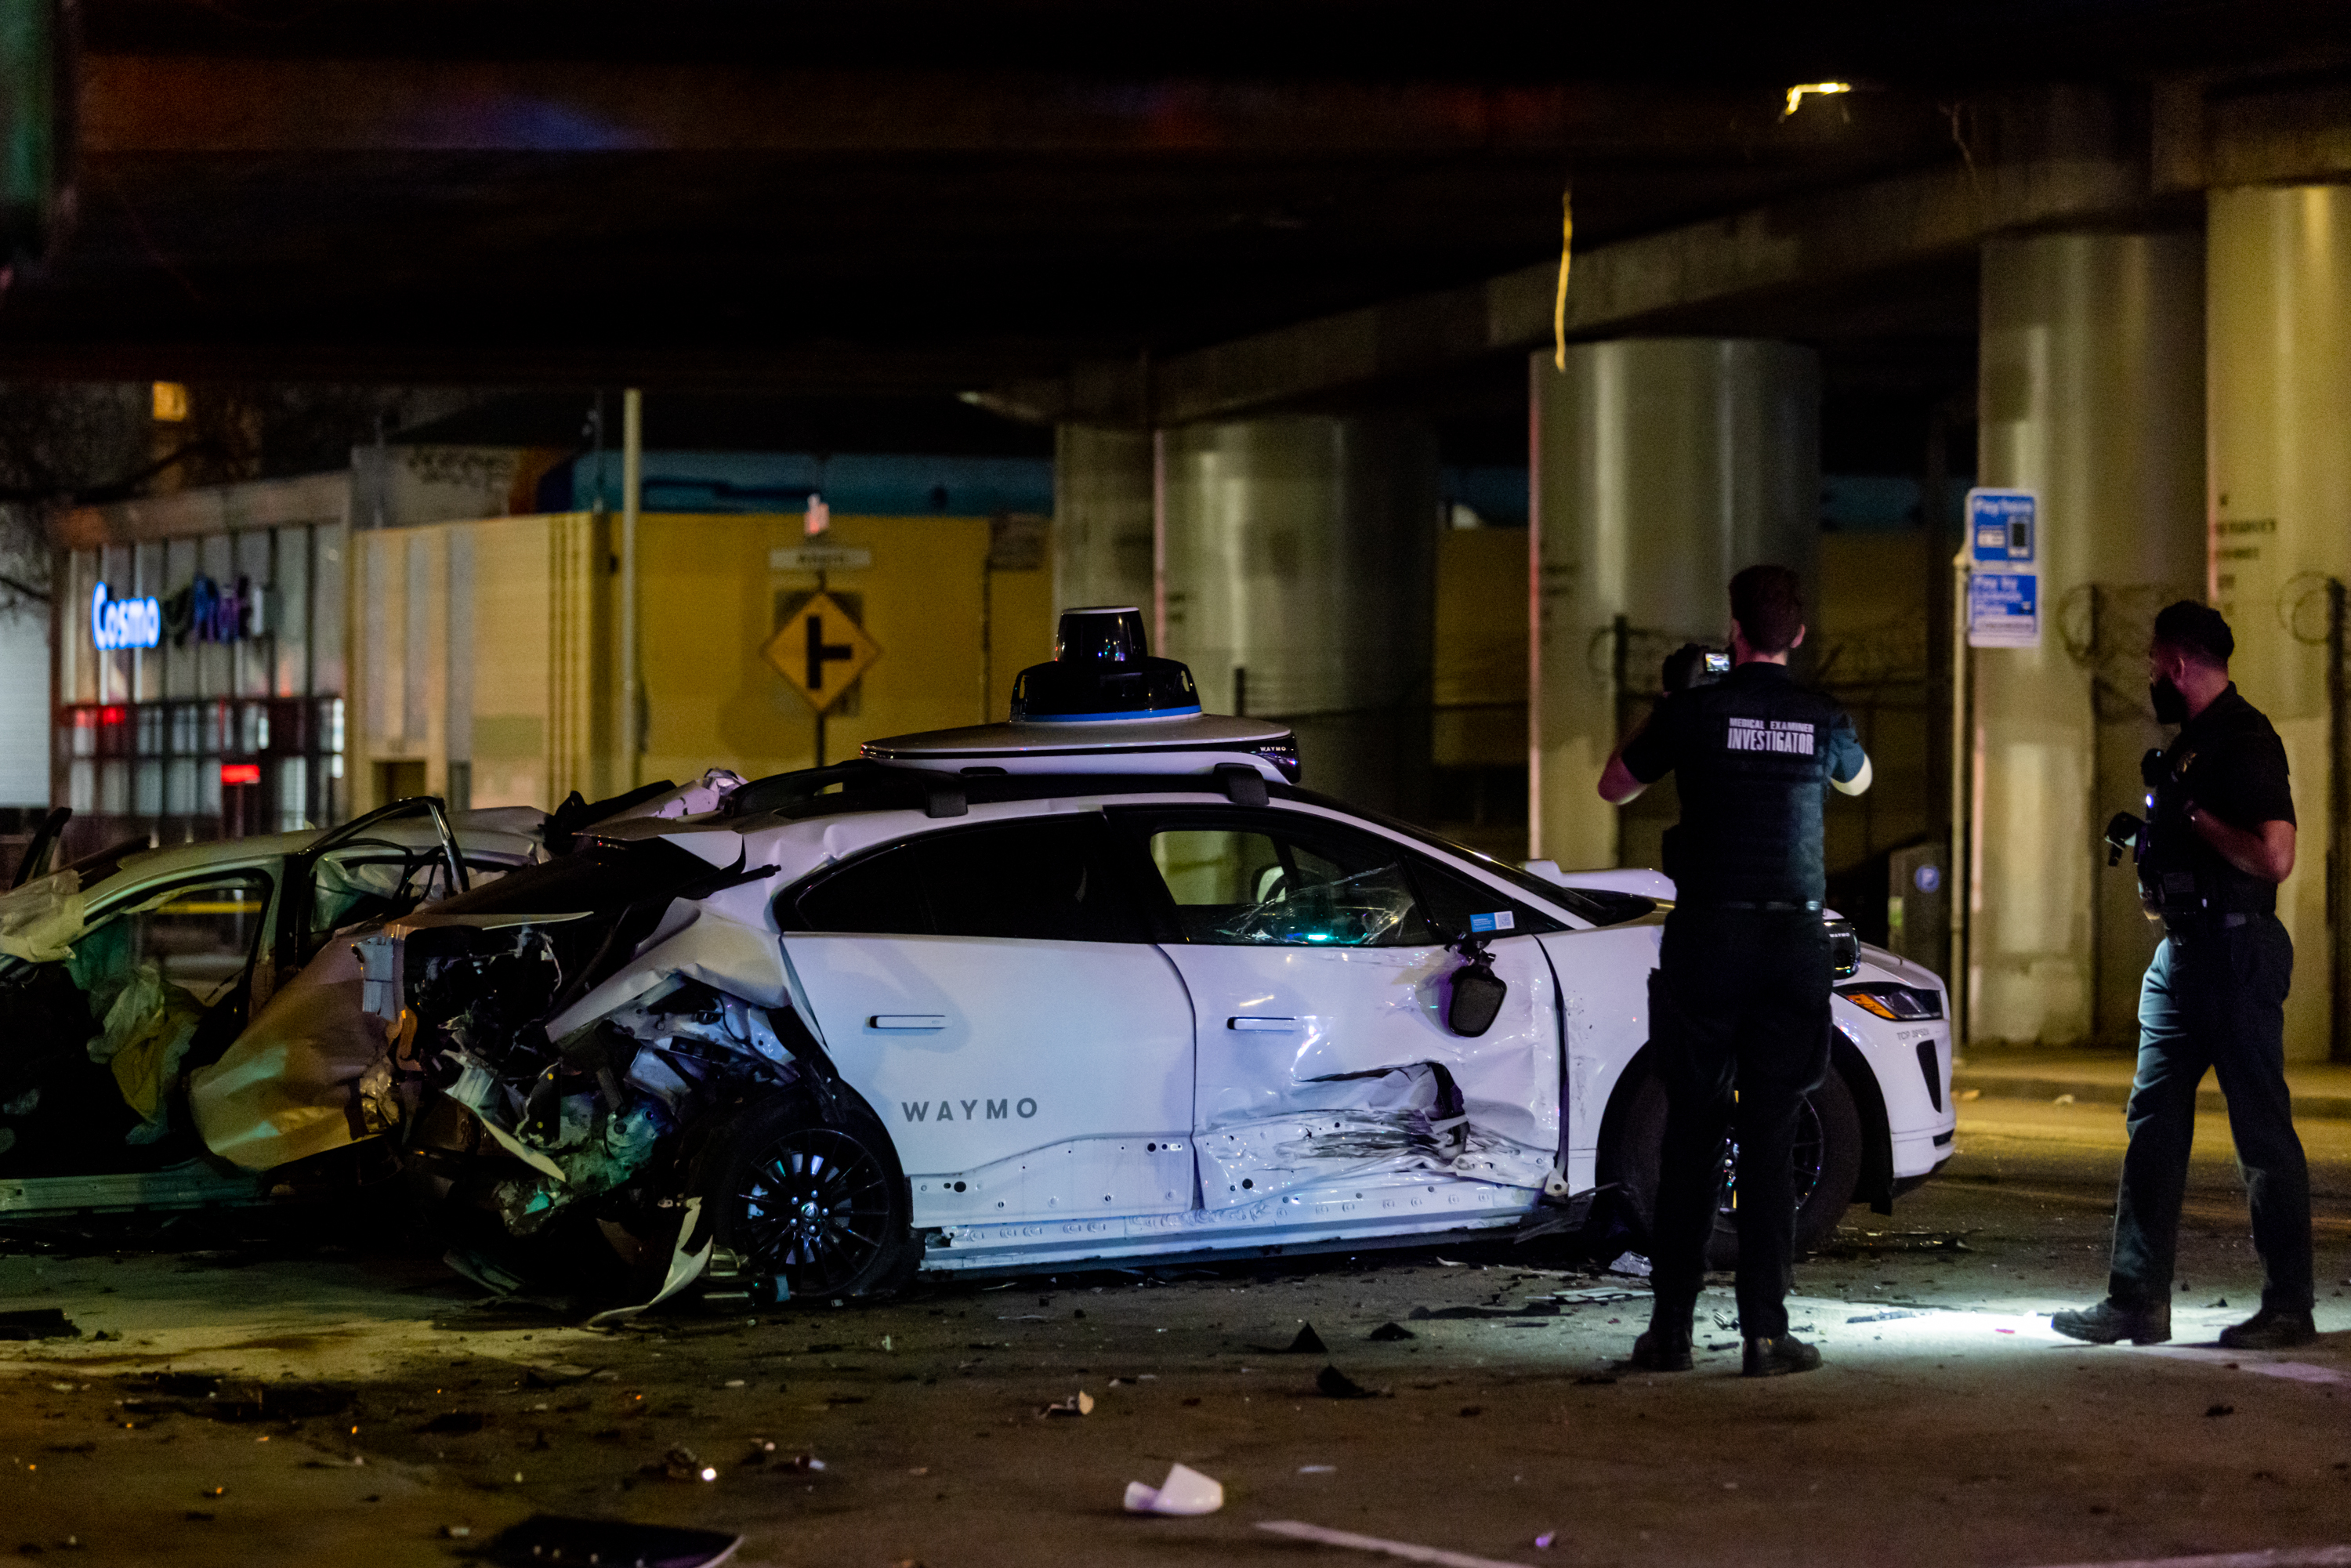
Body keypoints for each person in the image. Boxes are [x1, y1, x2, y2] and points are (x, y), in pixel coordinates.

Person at [1598, 564, 1871, 1378]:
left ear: (1733, 630)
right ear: (1799, 635)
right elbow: (1859, 780)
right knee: (1773, 1133)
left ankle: (1672, 1334)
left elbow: (1614, 785)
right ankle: (1765, 1334)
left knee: (1691, 1132)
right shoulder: (1822, 717)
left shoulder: (1693, 711)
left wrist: (1673, 704)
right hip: (1790, 944)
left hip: (1709, 942)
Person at [2054, 602, 2314, 1349]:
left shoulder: (2245, 740)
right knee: (2153, 1126)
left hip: (2236, 953)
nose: (2149, 677)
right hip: (2181, 955)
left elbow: (2275, 857)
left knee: (2261, 1132)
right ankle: (2137, 1300)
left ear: (2180, 663)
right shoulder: (2186, 748)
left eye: (2155, 663)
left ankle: (2290, 1305)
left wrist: (2195, 818)